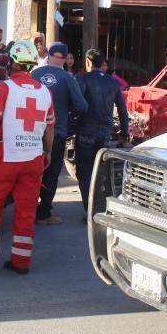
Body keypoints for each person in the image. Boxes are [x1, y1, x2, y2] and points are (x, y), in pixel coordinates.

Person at [0, 40, 54, 274]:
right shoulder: (45, 92)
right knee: (26, 210)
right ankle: (21, 262)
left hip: (7, 156)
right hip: (33, 158)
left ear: (12, 64)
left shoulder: (4, 89)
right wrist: (47, 152)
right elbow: (49, 129)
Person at [31, 42, 87, 225]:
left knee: (30, 172)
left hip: (31, 132)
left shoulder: (34, 74)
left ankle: (27, 209)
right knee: (51, 173)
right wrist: (66, 106)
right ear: (64, 59)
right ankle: (44, 213)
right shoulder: (67, 78)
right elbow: (82, 105)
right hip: (56, 132)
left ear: (48, 56)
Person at [75, 49, 129, 214]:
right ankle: (100, 207)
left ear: (89, 63)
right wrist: (123, 134)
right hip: (104, 133)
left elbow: (77, 104)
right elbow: (122, 110)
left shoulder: (82, 78)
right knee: (100, 172)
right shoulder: (113, 83)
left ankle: (89, 209)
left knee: (84, 172)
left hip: (85, 130)